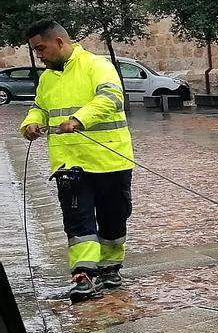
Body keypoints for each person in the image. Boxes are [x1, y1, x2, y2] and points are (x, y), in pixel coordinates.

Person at [18, 20, 134, 303]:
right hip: (69, 164)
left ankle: (109, 267)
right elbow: (39, 108)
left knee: (113, 217)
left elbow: (111, 98)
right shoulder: (47, 78)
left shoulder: (97, 66)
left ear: (59, 42)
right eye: (35, 51)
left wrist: (80, 119)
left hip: (109, 159)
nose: (39, 56)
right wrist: (31, 124)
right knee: (78, 219)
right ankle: (83, 274)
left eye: (41, 49)